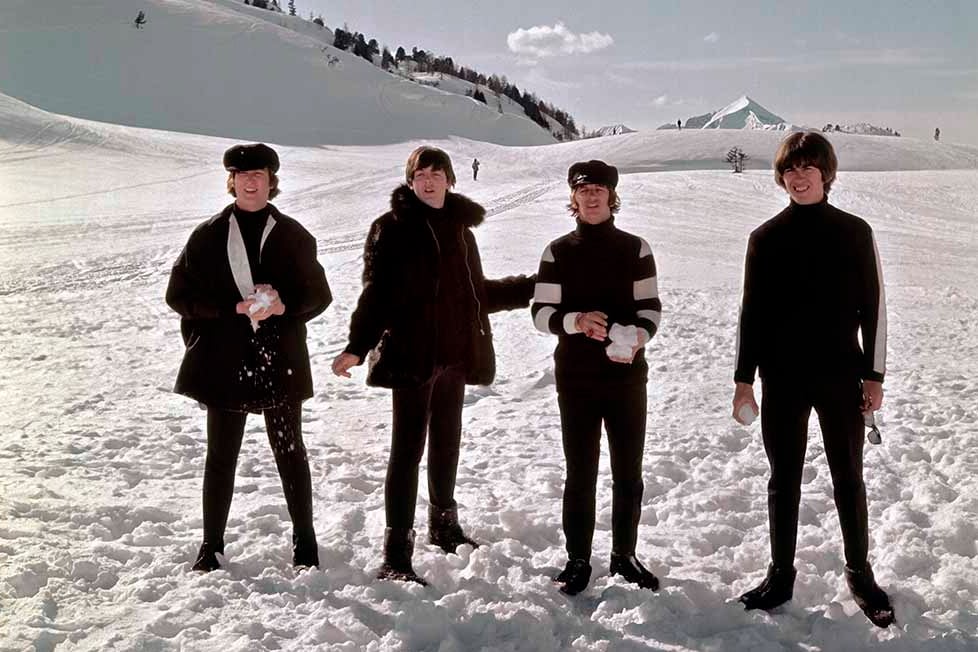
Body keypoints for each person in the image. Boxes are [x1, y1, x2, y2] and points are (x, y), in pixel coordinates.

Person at [331, 146, 535, 585]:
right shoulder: (391, 228)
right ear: (410, 182)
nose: (428, 181)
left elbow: (475, 293)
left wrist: (530, 288)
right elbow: (377, 294)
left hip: (455, 355)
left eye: (436, 174)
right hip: (412, 356)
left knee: (447, 443)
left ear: (449, 180)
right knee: (407, 451)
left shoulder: (461, 230)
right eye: (420, 174)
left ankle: (444, 526)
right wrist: (357, 346)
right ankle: (396, 554)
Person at [732, 131, 893, 628]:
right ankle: (780, 575)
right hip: (782, 378)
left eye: (808, 168)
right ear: (781, 178)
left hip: (841, 375)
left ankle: (859, 573)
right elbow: (752, 315)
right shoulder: (764, 239)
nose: (798, 177)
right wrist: (743, 379)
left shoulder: (854, 232)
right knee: (783, 479)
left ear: (826, 174)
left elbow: (874, 308)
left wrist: (874, 375)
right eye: (790, 169)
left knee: (849, 476)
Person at [166, 143, 332, 572]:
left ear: (271, 181)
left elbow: (319, 294)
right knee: (221, 457)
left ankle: (305, 542)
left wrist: (283, 305)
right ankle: (211, 546)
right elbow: (178, 296)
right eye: (242, 175)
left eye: (258, 174)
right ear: (232, 181)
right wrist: (231, 309)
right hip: (225, 360)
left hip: (280, 359)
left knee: (290, 452)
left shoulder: (294, 234)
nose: (250, 182)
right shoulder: (207, 235)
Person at [531, 160, 662, 596]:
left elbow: (651, 309)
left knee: (628, 470)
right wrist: (576, 321)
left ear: (611, 196)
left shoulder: (636, 249)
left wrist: (639, 335)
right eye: (583, 190)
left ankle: (625, 555)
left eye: (598, 190)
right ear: (574, 197)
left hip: (626, 376)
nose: (591, 197)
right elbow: (541, 313)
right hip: (576, 377)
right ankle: (578, 559)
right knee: (580, 470)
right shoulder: (558, 251)